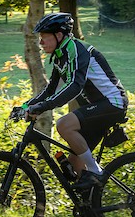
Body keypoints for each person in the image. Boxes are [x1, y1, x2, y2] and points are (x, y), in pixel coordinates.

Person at [18, 12, 128, 190]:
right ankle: (91, 212)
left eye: (44, 37)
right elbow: (50, 90)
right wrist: (25, 106)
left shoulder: (77, 50)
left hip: (112, 103)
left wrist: (43, 107)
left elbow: (75, 86)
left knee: (64, 125)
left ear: (59, 35)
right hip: (96, 108)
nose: (40, 42)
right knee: (76, 164)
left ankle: (96, 173)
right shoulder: (60, 55)